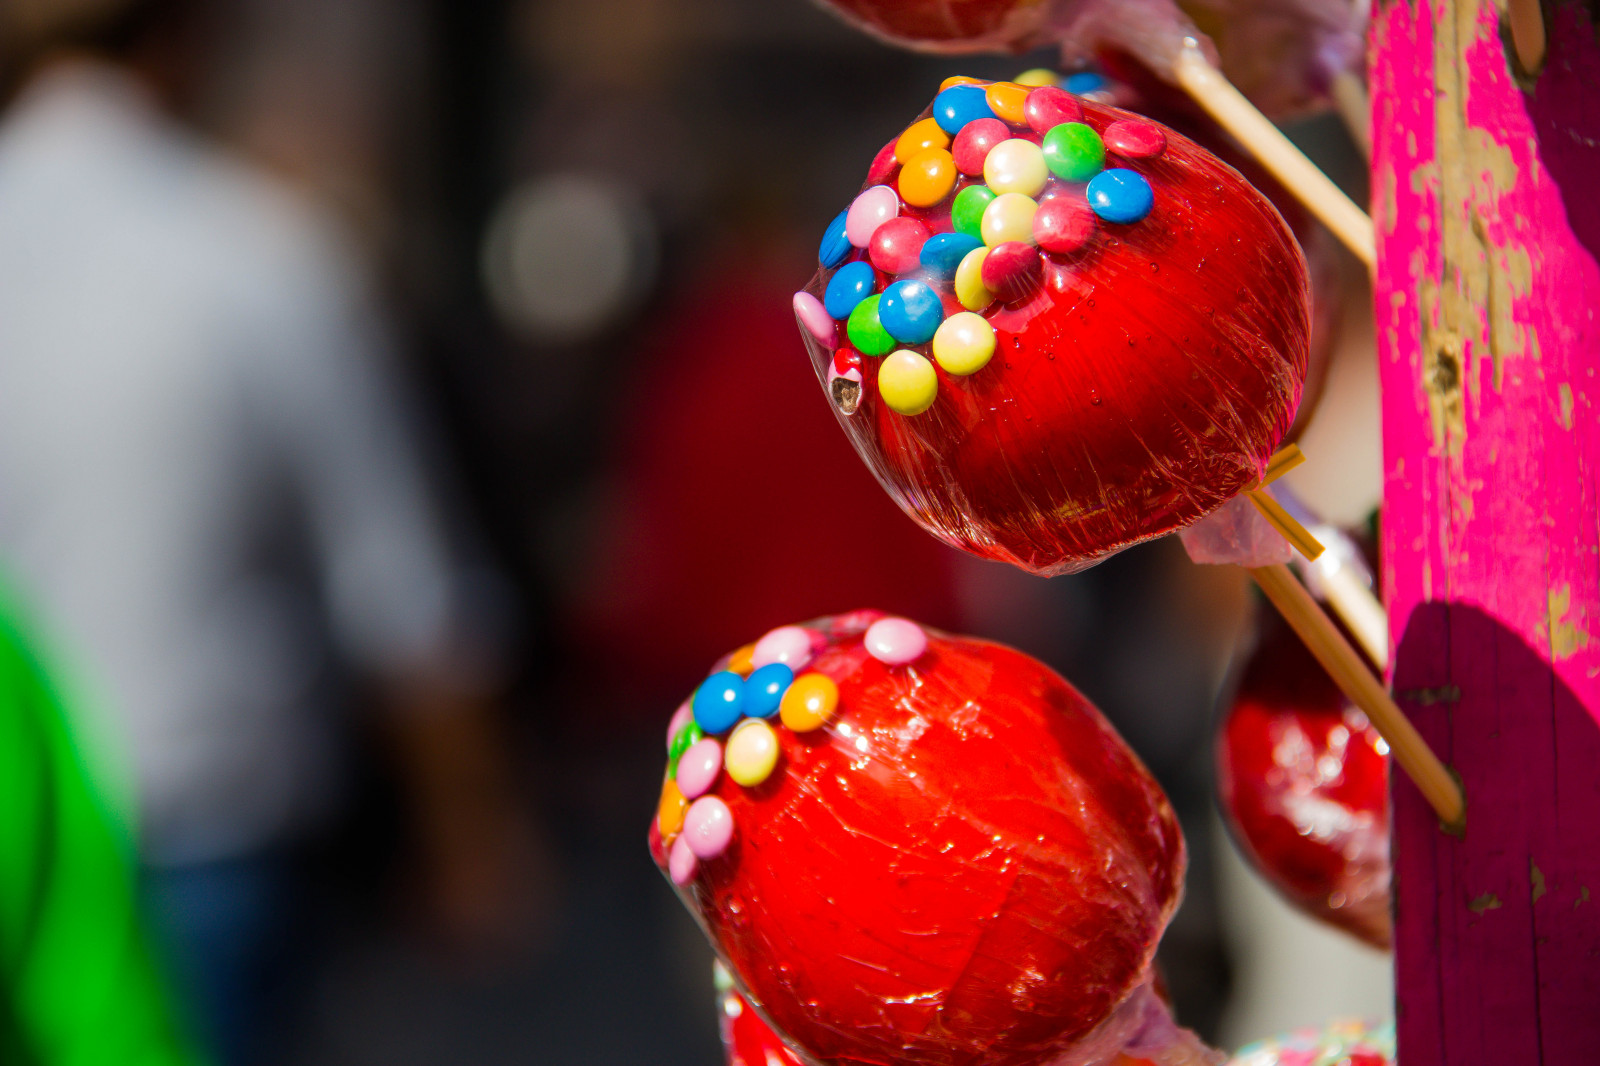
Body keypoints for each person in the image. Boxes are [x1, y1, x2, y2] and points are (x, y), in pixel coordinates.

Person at [0, 2, 533, 1062]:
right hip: (204, 856)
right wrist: (471, 829)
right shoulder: (255, 248)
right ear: (182, 39)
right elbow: (404, 595)